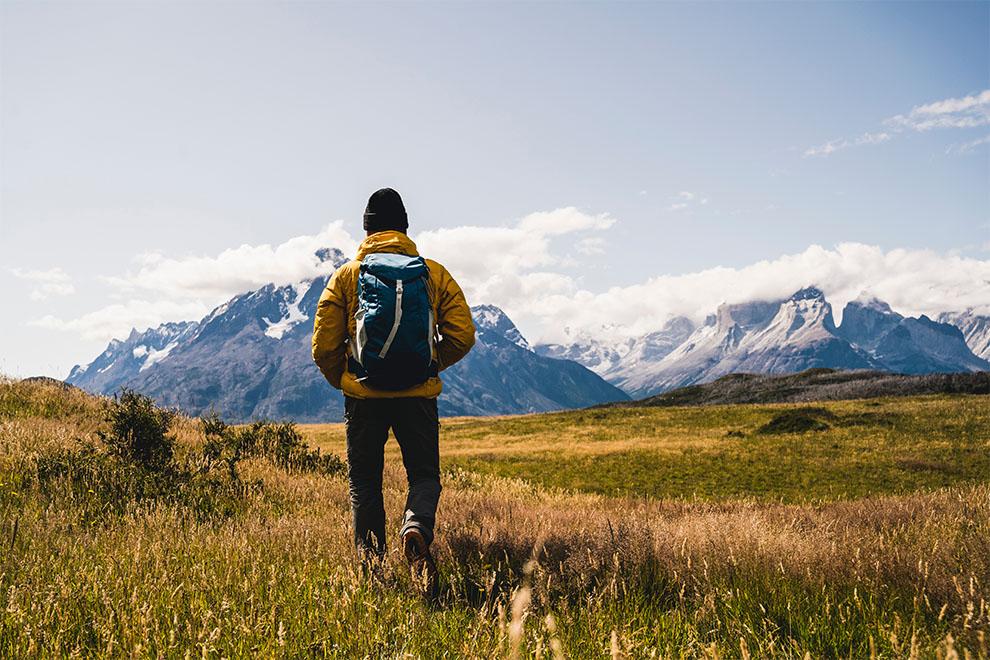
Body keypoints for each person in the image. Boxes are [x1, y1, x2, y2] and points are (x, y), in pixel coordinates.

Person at [312, 188, 475, 597]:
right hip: (418, 397)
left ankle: (372, 571)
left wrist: (344, 379)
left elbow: (324, 346)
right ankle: (416, 527)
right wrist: (430, 365)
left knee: (365, 485)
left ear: (366, 229)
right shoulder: (433, 273)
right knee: (424, 476)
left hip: (363, 397)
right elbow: (463, 335)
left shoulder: (347, 276)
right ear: (404, 227)